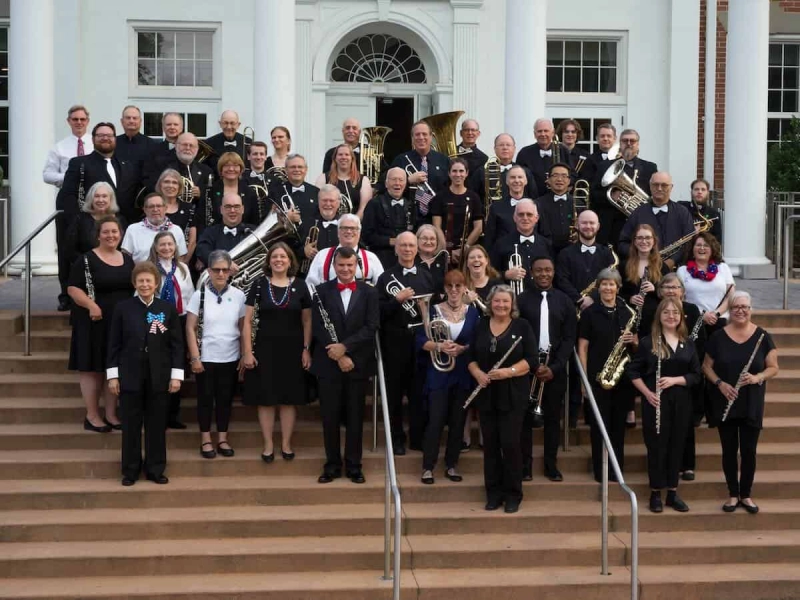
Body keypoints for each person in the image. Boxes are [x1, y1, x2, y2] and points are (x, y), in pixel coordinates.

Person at [107, 262, 184, 486]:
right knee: (131, 424)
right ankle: (130, 470)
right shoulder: (123, 308)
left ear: (156, 283)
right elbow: (114, 344)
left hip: (159, 376)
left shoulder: (166, 309)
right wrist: (113, 375)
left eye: (148, 280)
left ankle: (155, 468)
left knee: (156, 424)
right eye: (140, 281)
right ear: (134, 283)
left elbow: (176, 345)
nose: (144, 284)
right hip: (130, 375)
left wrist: (176, 375)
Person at [703, 291, 779, 514]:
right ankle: (732, 494)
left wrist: (757, 378)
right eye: (736, 306)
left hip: (751, 401)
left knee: (748, 451)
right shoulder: (717, 337)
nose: (740, 310)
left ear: (751, 309)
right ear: (730, 309)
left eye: (745, 307)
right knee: (728, 450)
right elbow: (706, 366)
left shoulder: (763, 337)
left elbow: (773, 367)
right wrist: (720, 384)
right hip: (725, 398)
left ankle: (746, 495)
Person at [310, 247, 380, 484]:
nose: (346, 269)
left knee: (355, 417)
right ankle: (331, 465)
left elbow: (371, 327)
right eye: (341, 265)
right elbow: (319, 327)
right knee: (329, 417)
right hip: (329, 364)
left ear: (357, 265)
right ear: (334, 266)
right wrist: (338, 354)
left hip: (357, 364)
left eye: (350, 265)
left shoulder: (370, 293)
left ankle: (354, 465)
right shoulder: (320, 291)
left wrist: (346, 349)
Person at [56, 122, 142, 309]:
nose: (105, 138)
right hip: (89, 222)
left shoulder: (126, 164)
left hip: (118, 222)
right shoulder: (80, 163)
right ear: (93, 139)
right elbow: (68, 195)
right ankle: (67, 296)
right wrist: (78, 222)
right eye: (100, 135)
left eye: (109, 135)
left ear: (115, 138)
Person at [629, 297, 701, 513]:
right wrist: (648, 394)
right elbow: (632, 372)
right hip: (656, 402)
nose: (671, 316)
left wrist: (675, 380)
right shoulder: (648, 342)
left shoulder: (687, 343)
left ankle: (672, 492)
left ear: (681, 317)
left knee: (676, 447)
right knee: (657, 448)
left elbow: (696, 375)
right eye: (667, 312)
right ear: (659, 316)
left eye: (675, 313)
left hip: (681, 403)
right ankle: (655, 493)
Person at [467, 285, 536, 513]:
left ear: (512, 304)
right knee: (491, 446)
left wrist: (509, 372)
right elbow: (471, 357)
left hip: (513, 393)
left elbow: (531, 359)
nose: (501, 305)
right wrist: (477, 373)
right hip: (488, 395)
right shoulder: (480, 325)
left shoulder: (522, 326)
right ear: (490, 303)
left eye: (505, 302)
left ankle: (513, 494)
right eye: (497, 301)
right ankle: (493, 493)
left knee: (510, 444)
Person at [242, 243, 312, 462]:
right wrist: (247, 351)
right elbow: (247, 321)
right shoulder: (258, 284)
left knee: (288, 399)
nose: (279, 260)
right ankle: (268, 444)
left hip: (292, 350)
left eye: (283, 256)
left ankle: (286, 444)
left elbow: (308, 321)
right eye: (275, 257)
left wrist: (306, 349)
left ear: (290, 260)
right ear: (269, 261)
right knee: (266, 399)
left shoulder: (301, 286)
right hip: (264, 349)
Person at [67, 216, 135, 433]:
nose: (111, 235)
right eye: (106, 232)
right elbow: (73, 289)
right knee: (91, 369)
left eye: (114, 232)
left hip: (119, 323)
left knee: (112, 369)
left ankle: (111, 415)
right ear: (98, 235)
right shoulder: (86, 260)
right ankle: (92, 415)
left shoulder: (127, 259)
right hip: (93, 322)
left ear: (121, 234)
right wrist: (91, 305)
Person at [517, 256, 577, 482]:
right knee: (524, 419)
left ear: (553, 272)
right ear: (531, 273)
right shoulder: (521, 300)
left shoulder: (564, 301)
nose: (544, 274)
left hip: (555, 369)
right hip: (527, 368)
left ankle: (551, 465)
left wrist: (556, 366)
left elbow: (569, 337)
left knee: (553, 419)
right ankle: (525, 466)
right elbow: (518, 333)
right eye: (539, 270)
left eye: (548, 270)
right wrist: (531, 364)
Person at [417, 269, 479, 484]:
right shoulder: (432, 311)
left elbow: (477, 341)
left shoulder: (472, 312)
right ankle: (428, 467)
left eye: (458, 286)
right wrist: (439, 346)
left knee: (457, 421)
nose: (454, 290)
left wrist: (463, 349)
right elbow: (420, 341)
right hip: (438, 374)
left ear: (464, 288)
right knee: (435, 421)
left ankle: (452, 465)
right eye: (450, 286)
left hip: (462, 374)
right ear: (444, 288)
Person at [376, 232, 435, 455]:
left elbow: (433, 309)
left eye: (411, 245)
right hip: (394, 342)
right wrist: (396, 300)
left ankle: (417, 438)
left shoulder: (426, 276)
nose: (408, 249)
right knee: (394, 394)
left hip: (421, 342)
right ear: (396, 249)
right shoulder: (385, 278)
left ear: (417, 248)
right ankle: (397, 439)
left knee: (418, 392)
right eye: (403, 245)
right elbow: (378, 313)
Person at [577, 267, 637, 483]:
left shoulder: (627, 311)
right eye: (604, 284)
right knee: (598, 427)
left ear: (618, 287)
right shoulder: (589, 314)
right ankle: (600, 470)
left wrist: (634, 340)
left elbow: (637, 345)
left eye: (612, 284)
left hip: (621, 378)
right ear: (598, 287)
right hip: (596, 377)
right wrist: (584, 379)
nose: (608, 287)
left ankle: (617, 469)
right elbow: (582, 347)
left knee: (618, 427)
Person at [185, 250, 246, 460]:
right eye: (216, 270)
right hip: (206, 358)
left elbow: (242, 328)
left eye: (224, 270)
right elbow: (190, 328)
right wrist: (195, 357)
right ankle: (205, 439)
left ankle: (222, 438)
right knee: (205, 399)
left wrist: (243, 355)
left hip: (230, 357)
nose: (221, 273)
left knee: (225, 399)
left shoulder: (239, 296)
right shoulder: (198, 294)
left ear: (230, 271)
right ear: (209, 271)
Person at [643, 274, 705, 482]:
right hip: (664, 372)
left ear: (682, 290)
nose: (671, 290)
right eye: (666, 287)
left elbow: (700, 342)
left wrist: (688, 359)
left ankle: (686, 465)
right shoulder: (654, 311)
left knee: (685, 425)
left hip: (686, 371)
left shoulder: (692, 310)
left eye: (675, 287)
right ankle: (663, 473)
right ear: (660, 291)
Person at [622, 224, 669, 427]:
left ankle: (655, 403)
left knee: (653, 362)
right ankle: (630, 409)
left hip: (654, 323)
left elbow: (670, 297)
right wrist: (630, 298)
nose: (644, 241)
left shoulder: (662, 266)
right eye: (640, 238)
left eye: (647, 238)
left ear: (654, 241)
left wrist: (656, 290)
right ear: (634, 241)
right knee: (631, 364)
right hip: (632, 323)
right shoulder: (625, 265)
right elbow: (616, 293)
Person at [148, 231, 194, 430]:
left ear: (175, 247)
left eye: (170, 244)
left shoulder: (183, 268)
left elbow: (191, 296)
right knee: (157, 366)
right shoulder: (149, 268)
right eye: (162, 245)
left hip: (180, 320)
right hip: (157, 319)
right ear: (156, 247)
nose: (166, 248)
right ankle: (155, 414)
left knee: (177, 365)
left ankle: (172, 414)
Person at [618, 171, 695, 267]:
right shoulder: (637, 213)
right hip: (644, 269)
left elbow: (689, 242)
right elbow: (623, 244)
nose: (659, 188)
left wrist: (672, 261)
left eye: (664, 185)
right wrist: (642, 255)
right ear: (650, 186)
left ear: (671, 187)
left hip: (675, 271)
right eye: (655, 185)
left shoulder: (682, 212)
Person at [388, 121, 450, 223]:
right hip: (406, 217)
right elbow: (387, 187)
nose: (421, 137)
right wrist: (408, 180)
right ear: (412, 138)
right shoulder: (401, 160)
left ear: (431, 137)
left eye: (424, 134)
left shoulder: (444, 160)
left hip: (437, 217)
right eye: (417, 134)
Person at [677, 232, 735, 340]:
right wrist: (701, 315)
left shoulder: (723, 268)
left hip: (720, 320)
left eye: (706, 245)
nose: (702, 248)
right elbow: (680, 298)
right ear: (693, 249)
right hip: (693, 320)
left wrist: (715, 314)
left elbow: (730, 296)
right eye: (698, 245)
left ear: (712, 249)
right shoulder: (682, 271)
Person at [430, 158, 484, 268]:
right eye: (454, 171)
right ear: (449, 173)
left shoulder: (474, 198)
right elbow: (436, 226)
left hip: (467, 252)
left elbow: (478, 228)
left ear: (467, 173)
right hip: (444, 250)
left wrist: (465, 248)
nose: (458, 174)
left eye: (461, 171)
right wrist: (447, 250)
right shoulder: (440, 197)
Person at [305, 214, 384, 287]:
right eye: (345, 228)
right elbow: (310, 286)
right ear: (338, 232)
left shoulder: (372, 258)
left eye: (353, 228)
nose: (349, 231)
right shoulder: (322, 255)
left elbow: (381, 287)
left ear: (359, 233)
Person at [490, 199, 552, 292]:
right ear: (514, 217)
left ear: (537, 218)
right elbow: (489, 274)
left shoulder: (546, 245)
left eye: (529, 214)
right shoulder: (501, 244)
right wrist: (505, 275)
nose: (525, 218)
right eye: (521, 214)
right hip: (511, 301)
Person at [362, 167, 415, 268]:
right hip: (380, 259)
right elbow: (366, 236)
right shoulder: (374, 204)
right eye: (393, 179)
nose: (397, 183)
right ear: (386, 184)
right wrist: (390, 241)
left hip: (406, 259)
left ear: (405, 184)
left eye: (401, 180)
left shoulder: (411, 205)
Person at [195, 152, 261, 232]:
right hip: (214, 238)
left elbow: (255, 222)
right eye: (226, 165)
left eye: (235, 165)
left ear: (241, 169)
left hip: (243, 238)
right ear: (221, 169)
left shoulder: (250, 193)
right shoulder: (209, 191)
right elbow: (201, 220)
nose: (231, 169)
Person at [65, 182, 126, 267]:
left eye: (104, 196)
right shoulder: (79, 220)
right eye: (97, 196)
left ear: (111, 199)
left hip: (115, 267)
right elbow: (70, 249)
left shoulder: (121, 220)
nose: (100, 200)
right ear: (91, 199)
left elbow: (125, 248)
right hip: (87, 268)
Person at [194, 192, 256, 270]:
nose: (232, 210)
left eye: (236, 206)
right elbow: (202, 251)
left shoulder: (254, 232)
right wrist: (223, 262)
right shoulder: (210, 232)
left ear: (242, 209)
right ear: (221, 210)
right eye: (228, 207)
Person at [583, 123, 623, 246]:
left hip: (620, 214)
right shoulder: (590, 160)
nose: (605, 138)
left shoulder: (623, 160)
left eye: (609, 136)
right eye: (602, 136)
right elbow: (589, 188)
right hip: (600, 212)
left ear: (614, 139)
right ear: (597, 139)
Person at [121, 193, 188, 264]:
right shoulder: (133, 229)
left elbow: (181, 258)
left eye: (159, 206)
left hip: (169, 274)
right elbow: (126, 257)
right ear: (144, 209)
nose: (155, 209)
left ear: (165, 208)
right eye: (151, 206)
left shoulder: (176, 230)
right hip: (141, 273)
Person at [483, 163, 537, 249]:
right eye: (512, 177)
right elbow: (489, 239)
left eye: (520, 177)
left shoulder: (536, 206)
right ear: (507, 182)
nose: (516, 180)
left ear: (526, 181)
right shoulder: (496, 208)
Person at [315, 144, 373, 220]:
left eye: (347, 154)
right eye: (340, 154)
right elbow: (318, 203)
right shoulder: (323, 178)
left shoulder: (364, 180)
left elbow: (364, 207)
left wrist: (351, 223)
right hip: (329, 225)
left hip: (354, 227)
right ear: (335, 158)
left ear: (352, 159)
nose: (343, 157)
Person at [155, 169, 198, 266]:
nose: (170, 185)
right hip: (156, 262)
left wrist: (183, 263)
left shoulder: (189, 208)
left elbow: (192, 241)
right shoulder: (154, 207)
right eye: (166, 182)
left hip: (182, 261)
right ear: (160, 185)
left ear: (179, 187)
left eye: (174, 183)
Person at [43, 104, 93, 188]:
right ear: (68, 121)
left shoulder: (96, 143)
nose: (79, 122)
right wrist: (68, 176)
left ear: (87, 121)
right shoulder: (59, 147)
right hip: (68, 194)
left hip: (93, 195)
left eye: (82, 119)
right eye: (75, 119)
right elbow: (47, 175)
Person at [515, 118, 570, 194]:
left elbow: (572, 174)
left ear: (553, 132)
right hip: (532, 198)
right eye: (539, 131)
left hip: (558, 197)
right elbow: (518, 176)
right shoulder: (524, 153)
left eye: (546, 131)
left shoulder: (563, 150)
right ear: (535, 134)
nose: (543, 134)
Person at [535, 162, 577, 256]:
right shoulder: (538, 204)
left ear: (569, 180)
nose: (559, 179)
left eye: (564, 176)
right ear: (548, 179)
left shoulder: (577, 203)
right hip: (545, 252)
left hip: (572, 252)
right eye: (555, 175)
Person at [299, 184, 340, 276]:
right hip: (312, 276)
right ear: (318, 202)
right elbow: (292, 249)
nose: (328, 204)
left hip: (339, 276)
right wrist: (304, 251)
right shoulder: (307, 224)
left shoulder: (346, 225)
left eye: (331, 201)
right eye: (324, 200)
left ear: (338, 203)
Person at [678, 178, 722, 243]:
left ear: (708, 193)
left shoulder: (714, 214)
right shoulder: (681, 207)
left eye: (703, 189)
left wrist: (700, 235)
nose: (699, 192)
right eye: (696, 189)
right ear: (691, 192)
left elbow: (717, 241)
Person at [416, 224, 448, 298]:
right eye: (424, 238)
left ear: (437, 241)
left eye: (432, 239)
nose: (428, 242)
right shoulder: (410, 261)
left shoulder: (443, 261)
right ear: (417, 240)